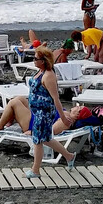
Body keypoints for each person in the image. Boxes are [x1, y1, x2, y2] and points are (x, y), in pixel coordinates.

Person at [23, 46, 77, 178]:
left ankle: (35, 170)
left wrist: (63, 117)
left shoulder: (48, 76)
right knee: (46, 139)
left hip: (44, 113)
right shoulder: (40, 72)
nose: (33, 61)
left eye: (36, 59)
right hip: (38, 111)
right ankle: (69, 156)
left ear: (43, 60)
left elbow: (56, 98)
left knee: (38, 141)